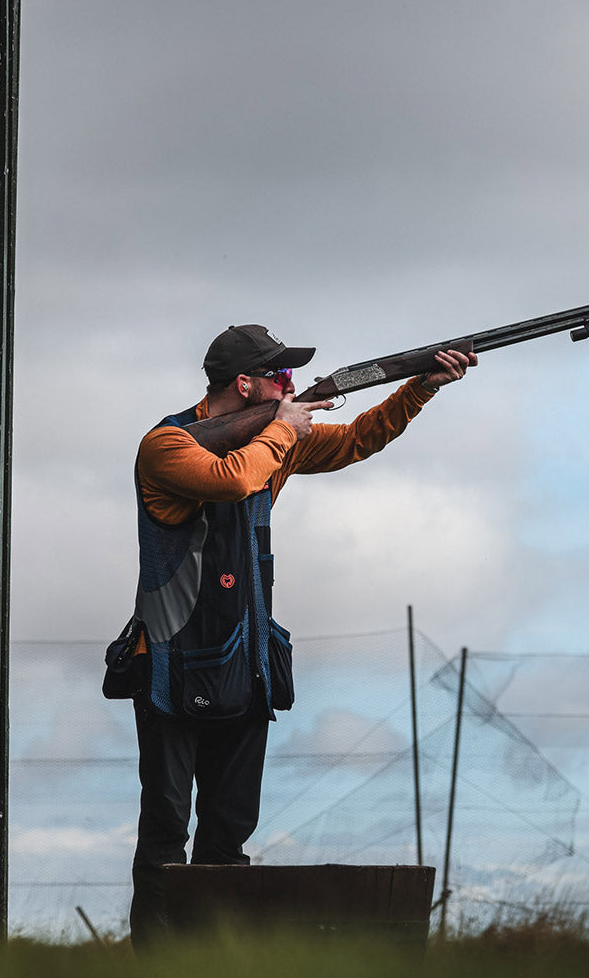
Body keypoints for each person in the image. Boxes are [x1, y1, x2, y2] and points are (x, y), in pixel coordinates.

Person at [124, 322, 475, 948]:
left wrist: (419, 388)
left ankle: (214, 959)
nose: (290, 384)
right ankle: (154, 963)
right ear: (246, 384)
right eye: (279, 376)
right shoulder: (167, 445)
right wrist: (287, 425)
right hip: (171, 667)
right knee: (165, 836)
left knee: (228, 836)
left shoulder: (268, 437)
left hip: (246, 664)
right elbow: (232, 479)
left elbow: (358, 440)